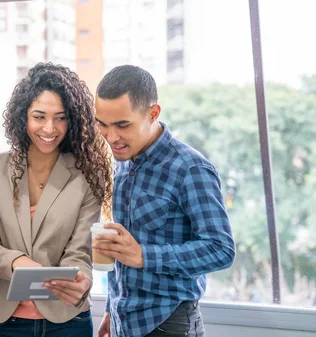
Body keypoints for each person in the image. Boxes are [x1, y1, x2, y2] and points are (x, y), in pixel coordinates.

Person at [93, 65, 236, 337]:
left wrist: (145, 256)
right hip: (125, 322)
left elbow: (221, 249)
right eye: (103, 124)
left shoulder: (190, 169)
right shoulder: (123, 162)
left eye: (123, 125)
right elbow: (121, 248)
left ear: (153, 113)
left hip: (170, 324)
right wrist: (112, 310)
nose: (111, 137)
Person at [0, 63, 113, 337]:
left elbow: (80, 250)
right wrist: (16, 263)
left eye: (60, 118)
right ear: (22, 117)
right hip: (6, 322)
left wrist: (81, 280)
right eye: (39, 116)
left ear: (72, 119)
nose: (50, 128)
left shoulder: (87, 175)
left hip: (68, 320)